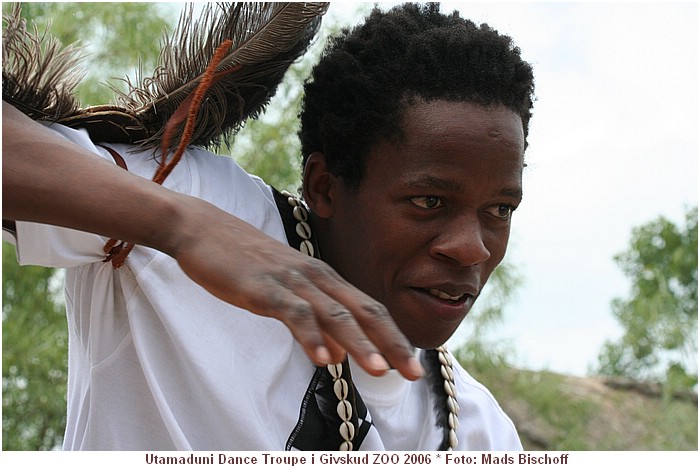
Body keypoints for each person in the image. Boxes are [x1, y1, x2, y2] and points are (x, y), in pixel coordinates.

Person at [2, 3, 534, 451]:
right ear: (323, 187)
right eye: (428, 200)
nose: (471, 249)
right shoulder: (196, 203)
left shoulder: (478, 433)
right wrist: (182, 227)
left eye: (500, 210)